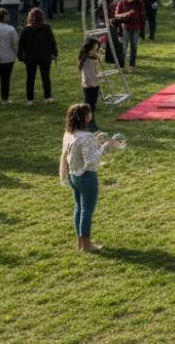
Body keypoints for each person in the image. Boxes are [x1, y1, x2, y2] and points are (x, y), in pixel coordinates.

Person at [59, 103, 121, 251]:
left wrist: (96, 141)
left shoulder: (70, 133)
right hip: (87, 177)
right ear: (86, 118)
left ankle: (81, 242)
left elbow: (81, 151)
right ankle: (86, 245)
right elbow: (90, 160)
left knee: (79, 208)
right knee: (87, 210)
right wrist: (104, 146)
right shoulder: (85, 137)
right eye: (89, 113)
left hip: (74, 176)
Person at [18, 7, 58, 105]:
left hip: (32, 57)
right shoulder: (45, 27)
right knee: (43, 77)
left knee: (32, 78)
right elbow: (52, 42)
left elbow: (20, 45)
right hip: (43, 56)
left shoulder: (26, 30)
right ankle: (46, 97)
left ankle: (30, 99)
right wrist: (55, 53)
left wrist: (20, 56)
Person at [113, 0, 145, 67]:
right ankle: (121, 65)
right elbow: (116, 15)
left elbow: (143, 17)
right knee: (123, 47)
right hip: (125, 28)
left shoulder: (139, 3)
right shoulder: (121, 2)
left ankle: (132, 65)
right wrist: (126, 14)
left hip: (135, 28)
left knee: (134, 48)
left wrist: (142, 31)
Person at [76, 39, 102, 130]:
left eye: (96, 49)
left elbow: (96, 71)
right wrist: (89, 83)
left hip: (95, 85)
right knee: (89, 106)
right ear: (87, 49)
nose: (95, 52)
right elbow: (87, 75)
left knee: (92, 106)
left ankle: (90, 122)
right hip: (89, 86)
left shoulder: (93, 59)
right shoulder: (86, 60)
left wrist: (97, 59)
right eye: (93, 50)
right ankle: (87, 123)